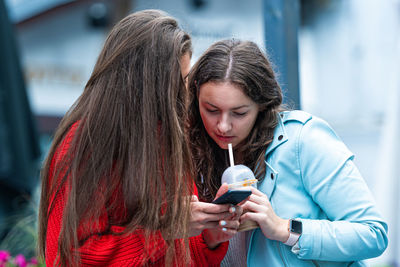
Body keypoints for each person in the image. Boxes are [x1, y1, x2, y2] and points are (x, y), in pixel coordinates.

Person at [38, 10, 241, 267]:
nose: (184, 94)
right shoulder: (86, 142)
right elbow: (71, 257)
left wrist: (210, 237)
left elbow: (178, 255)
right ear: (145, 85)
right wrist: (164, 230)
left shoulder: (168, 138)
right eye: (176, 83)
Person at [187, 39, 388, 266]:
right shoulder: (189, 152)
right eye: (211, 110)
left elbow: (373, 234)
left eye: (239, 113)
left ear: (262, 105)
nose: (223, 126)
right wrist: (211, 240)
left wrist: (284, 228)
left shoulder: (304, 140)